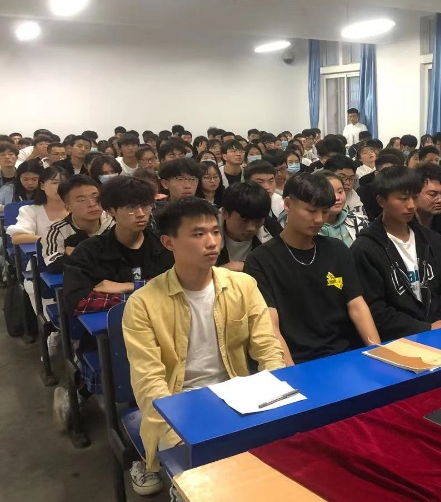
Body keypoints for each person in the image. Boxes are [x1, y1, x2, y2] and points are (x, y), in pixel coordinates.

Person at [123, 198, 285, 493]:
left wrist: (276, 399)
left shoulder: (242, 285)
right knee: (211, 486)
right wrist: (178, 438)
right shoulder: (143, 304)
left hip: (238, 397)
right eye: (198, 234)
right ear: (169, 242)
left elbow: (268, 347)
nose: (211, 242)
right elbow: (149, 383)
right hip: (179, 407)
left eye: (215, 232)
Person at [244, 173, 379, 363]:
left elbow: (357, 306)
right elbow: (271, 326)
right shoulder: (261, 260)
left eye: (324, 212)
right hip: (297, 360)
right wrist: (291, 373)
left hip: (344, 354)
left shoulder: (337, 250)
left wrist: (377, 352)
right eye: (311, 210)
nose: (318, 219)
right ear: (288, 204)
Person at [351, 166, 441, 340]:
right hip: (397, 338)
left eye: (414, 197)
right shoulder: (365, 248)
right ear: (381, 201)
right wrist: (424, 328)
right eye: (403, 199)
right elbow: (375, 310)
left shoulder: (432, 240)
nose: (411, 205)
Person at [62, 176, 174, 319]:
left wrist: (131, 286)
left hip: (163, 319)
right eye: (131, 208)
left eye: (146, 206)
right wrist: (151, 291)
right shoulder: (89, 251)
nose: (141, 214)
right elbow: (77, 301)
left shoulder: (165, 244)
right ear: (111, 210)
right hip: (108, 327)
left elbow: (182, 284)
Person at [44, 175, 113, 274]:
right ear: (67, 208)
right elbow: (53, 265)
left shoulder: (113, 222)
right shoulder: (57, 231)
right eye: (81, 200)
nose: (92, 204)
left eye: (95, 197)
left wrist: (79, 253)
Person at [7, 166, 68, 245]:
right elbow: (17, 238)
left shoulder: (76, 209)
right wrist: (52, 239)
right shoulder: (30, 211)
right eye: (54, 183)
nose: (59, 187)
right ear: (42, 186)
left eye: (63, 183)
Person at [217, 181, 270, 271]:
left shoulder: (273, 232)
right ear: (225, 213)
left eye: (258, 221)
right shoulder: (203, 236)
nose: (251, 228)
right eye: (245, 220)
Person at [317, 170, 366, 246]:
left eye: (340, 192)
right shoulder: (309, 226)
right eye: (330, 193)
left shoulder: (357, 220)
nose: (337, 198)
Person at [357, 149, 405, 222]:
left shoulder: (405, 191)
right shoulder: (364, 192)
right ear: (376, 173)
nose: (393, 177)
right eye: (388, 173)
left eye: (396, 173)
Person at [244, 160, 287, 238]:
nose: (267, 187)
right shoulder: (241, 207)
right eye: (260, 182)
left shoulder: (284, 203)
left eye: (271, 181)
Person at [323, 155, 366, 221]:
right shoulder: (316, 194)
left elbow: (362, 221)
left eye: (351, 178)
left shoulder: (352, 194)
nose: (348, 183)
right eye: (342, 177)